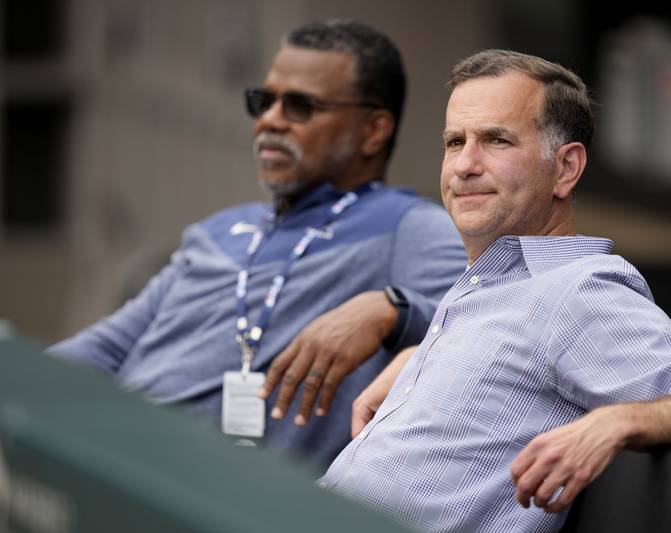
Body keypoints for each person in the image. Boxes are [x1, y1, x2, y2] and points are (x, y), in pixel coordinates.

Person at [320, 50, 671, 531]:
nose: (464, 165)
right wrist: (422, 357)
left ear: (566, 169)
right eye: (455, 142)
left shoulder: (577, 290)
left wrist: (621, 421)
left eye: (496, 140)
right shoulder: (493, 285)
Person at [49, 20, 466, 468]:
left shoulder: (408, 226)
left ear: (373, 130)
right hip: (108, 462)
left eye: (300, 106)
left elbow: (487, 323)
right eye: (263, 101)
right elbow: (106, 349)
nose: (269, 120)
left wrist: (394, 311)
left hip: (218, 496)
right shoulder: (218, 232)